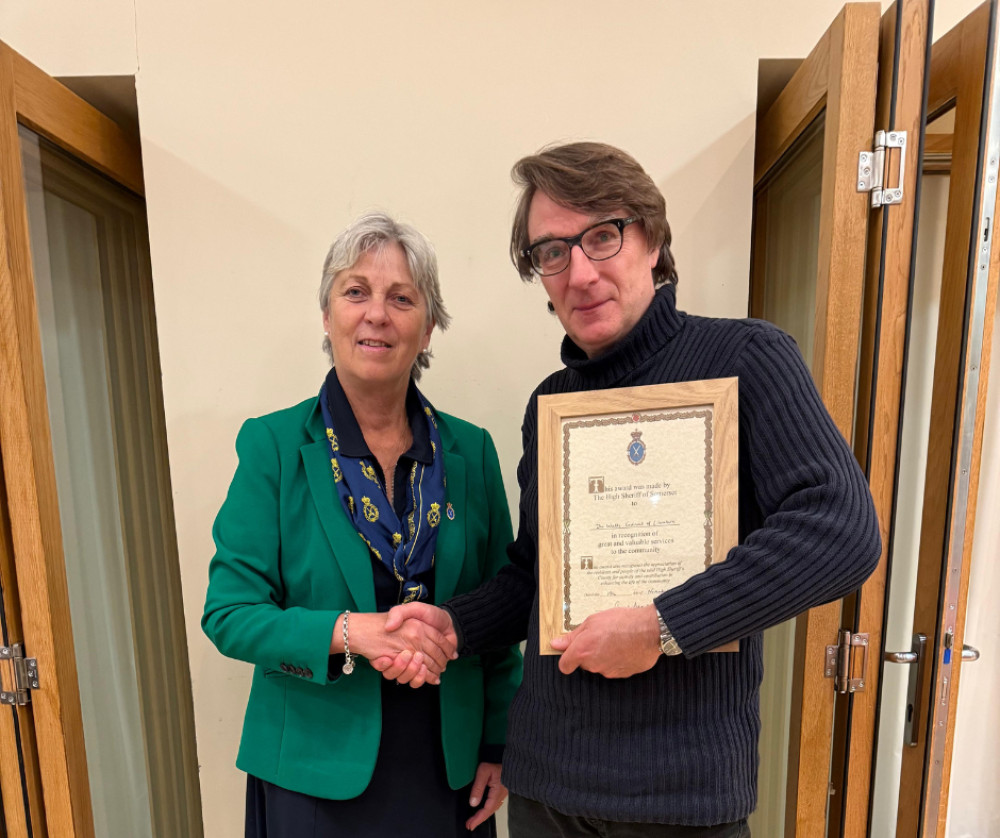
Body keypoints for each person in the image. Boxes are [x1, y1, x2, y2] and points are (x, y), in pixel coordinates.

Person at [378, 142, 882, 837]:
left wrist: (661, 627)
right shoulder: (551, 403)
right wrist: (455, 625)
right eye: (551, 252)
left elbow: (841, 530)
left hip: (679, 800)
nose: (579, 272)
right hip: (546, 788)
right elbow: (535, 578)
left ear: (650, 238)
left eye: (602, 236)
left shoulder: (746, 359)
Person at [202, 211, 522, 838]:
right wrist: (354, 632)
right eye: (356, 292)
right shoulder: (271, 445)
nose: (377, 313)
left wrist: (499, 743)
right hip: (312, 774)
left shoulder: (473, 452)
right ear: (328, 316)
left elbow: (500, 607)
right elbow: (230, 613)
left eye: (402, 298)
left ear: (427, 328)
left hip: (447, 771)